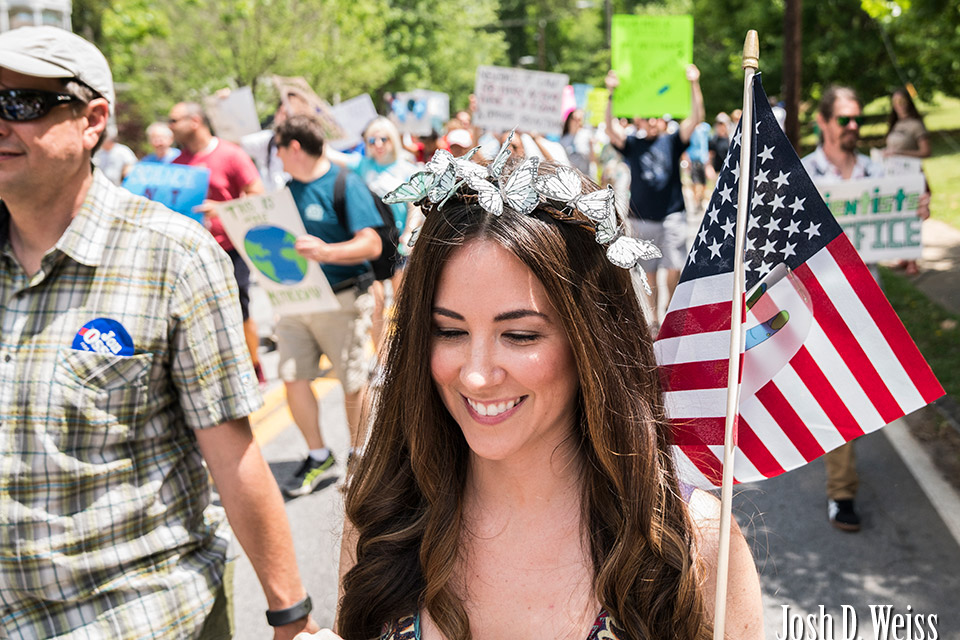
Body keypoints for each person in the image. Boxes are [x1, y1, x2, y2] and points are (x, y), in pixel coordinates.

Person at [323, 157, 764, 640]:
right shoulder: (380, 518)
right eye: (449, 331)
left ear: (591, 342)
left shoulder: (695, 544)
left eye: (520, 335)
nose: (476, 375)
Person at [0, 26, 318, 638]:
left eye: (20, 104)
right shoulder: (166, 168)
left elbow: (231, 452)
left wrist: (291, 616)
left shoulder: (174, 254)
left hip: (134, 618)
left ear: (93, 121)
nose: (1, 122)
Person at [802, 85, 930, 532]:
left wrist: (912, 219)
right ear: (823, 122)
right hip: (820, 304)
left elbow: (889, 236)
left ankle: (837, 463)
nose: (852, 126)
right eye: (844, 119)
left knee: (858, 395)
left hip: (867, 302)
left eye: (857, 118)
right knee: (837, 394)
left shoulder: (880, 173)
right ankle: (842, 492)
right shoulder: (803, 176)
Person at [273, 114, 383, 497]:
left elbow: (372, 243)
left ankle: (361, 456)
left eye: (278, 149)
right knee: (292, 377)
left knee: (352, 382)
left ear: (294, 148)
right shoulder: (287, 190)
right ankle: (318, 455)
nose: (277, 157)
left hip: (342, 299)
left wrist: (326, 252)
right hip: (296, 301)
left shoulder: (344, 182)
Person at [169, 100, 268, 384]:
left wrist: (222, 210)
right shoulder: (176, 165)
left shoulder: (231, 154)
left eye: (174, 120)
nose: (170, 127)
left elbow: (258, 196)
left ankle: (253, 368)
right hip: (191, 252)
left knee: (239, 308)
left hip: (230, 248)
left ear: (195, 121)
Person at [604, 64, 705, 326]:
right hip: (641, 218)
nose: (650, 122)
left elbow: (696, 118)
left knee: (674, 268)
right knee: (648, 275)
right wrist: (611, 93)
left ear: (662, 120)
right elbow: (610, 128)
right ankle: (654, 320)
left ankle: (669, 311)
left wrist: (694, 83)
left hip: (672, 217)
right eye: (646, 117)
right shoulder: (633, 144)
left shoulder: (672, 141)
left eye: (655, 117)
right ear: (638, 119)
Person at [329, 116, 417, 348]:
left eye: (384, 139)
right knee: (377, 306)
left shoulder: (406, 169)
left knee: (404, 303)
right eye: (372, 140)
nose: (378, 144)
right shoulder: (362, 166)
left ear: (393, 140)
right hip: (372, 245)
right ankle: (381, 358)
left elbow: (415, 205)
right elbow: (329, 155)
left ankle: (408, 352)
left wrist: (409, 232)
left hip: (399, 244)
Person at [884, 87, 931, 276]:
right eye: (895, 102)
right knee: (899, 216)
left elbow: (926, 151)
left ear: (908, 102)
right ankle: (904, 256)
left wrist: (900, 153)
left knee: (912, 216)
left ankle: (913, 261)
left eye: (902, 101)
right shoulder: (895, 125)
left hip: (912, 177)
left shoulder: (916, 125)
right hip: (895, 177)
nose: (899, 106)